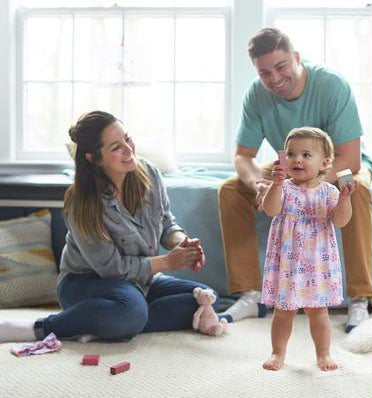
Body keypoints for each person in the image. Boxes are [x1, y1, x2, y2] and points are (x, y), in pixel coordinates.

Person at [0, 110, 217, 344]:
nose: (129, 149)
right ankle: (40, 328)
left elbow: (166, 224)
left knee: (202, 297)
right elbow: (111, 268)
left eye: (128, 138)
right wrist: (167, 262)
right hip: (86, 283)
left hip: (138, 282)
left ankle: (99, 324)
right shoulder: (81, 201)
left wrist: (183, 244)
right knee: (132, 311)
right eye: (116, 147)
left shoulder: (149, 174)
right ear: (94, 158)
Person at [218, 27, 372, 332]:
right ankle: (250, 294)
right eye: (265, 72)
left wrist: (311, 183)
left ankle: (359, 297)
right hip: (291, 167)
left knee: (354, 190)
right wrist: (257, 183)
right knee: (230, 190)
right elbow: (243, 156)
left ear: (296, 58)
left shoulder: (331, 85)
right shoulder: (256, 93)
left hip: (337, 163)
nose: (274, 78)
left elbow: (351, 158)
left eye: (281, 67)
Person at [261, 127, 358, 371]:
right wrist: (276, 184)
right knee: (284, 311)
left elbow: (340, 221)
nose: (297, 160)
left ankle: (323, 353)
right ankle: (277, 352)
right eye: (291, 154)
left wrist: (345, 198)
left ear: (324, 162)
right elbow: (270, 210)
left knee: (318, 311)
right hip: (287, 262)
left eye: (306, 155)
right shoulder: (283, 188)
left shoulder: (329, 191)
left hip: (317, 262)